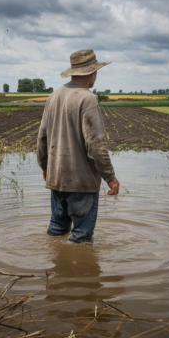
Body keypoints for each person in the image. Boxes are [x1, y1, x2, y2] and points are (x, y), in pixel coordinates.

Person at [37, 49, 120, 243]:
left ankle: (56, 270)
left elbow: (42, 138)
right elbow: (96, 145)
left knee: (57, 230)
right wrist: (110, 177)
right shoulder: (88, 99)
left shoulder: (54, 96)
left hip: (57, 177)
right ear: (92, 72)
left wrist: (44, 167)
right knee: (81, 239)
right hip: (81, 182)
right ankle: (81, 272)